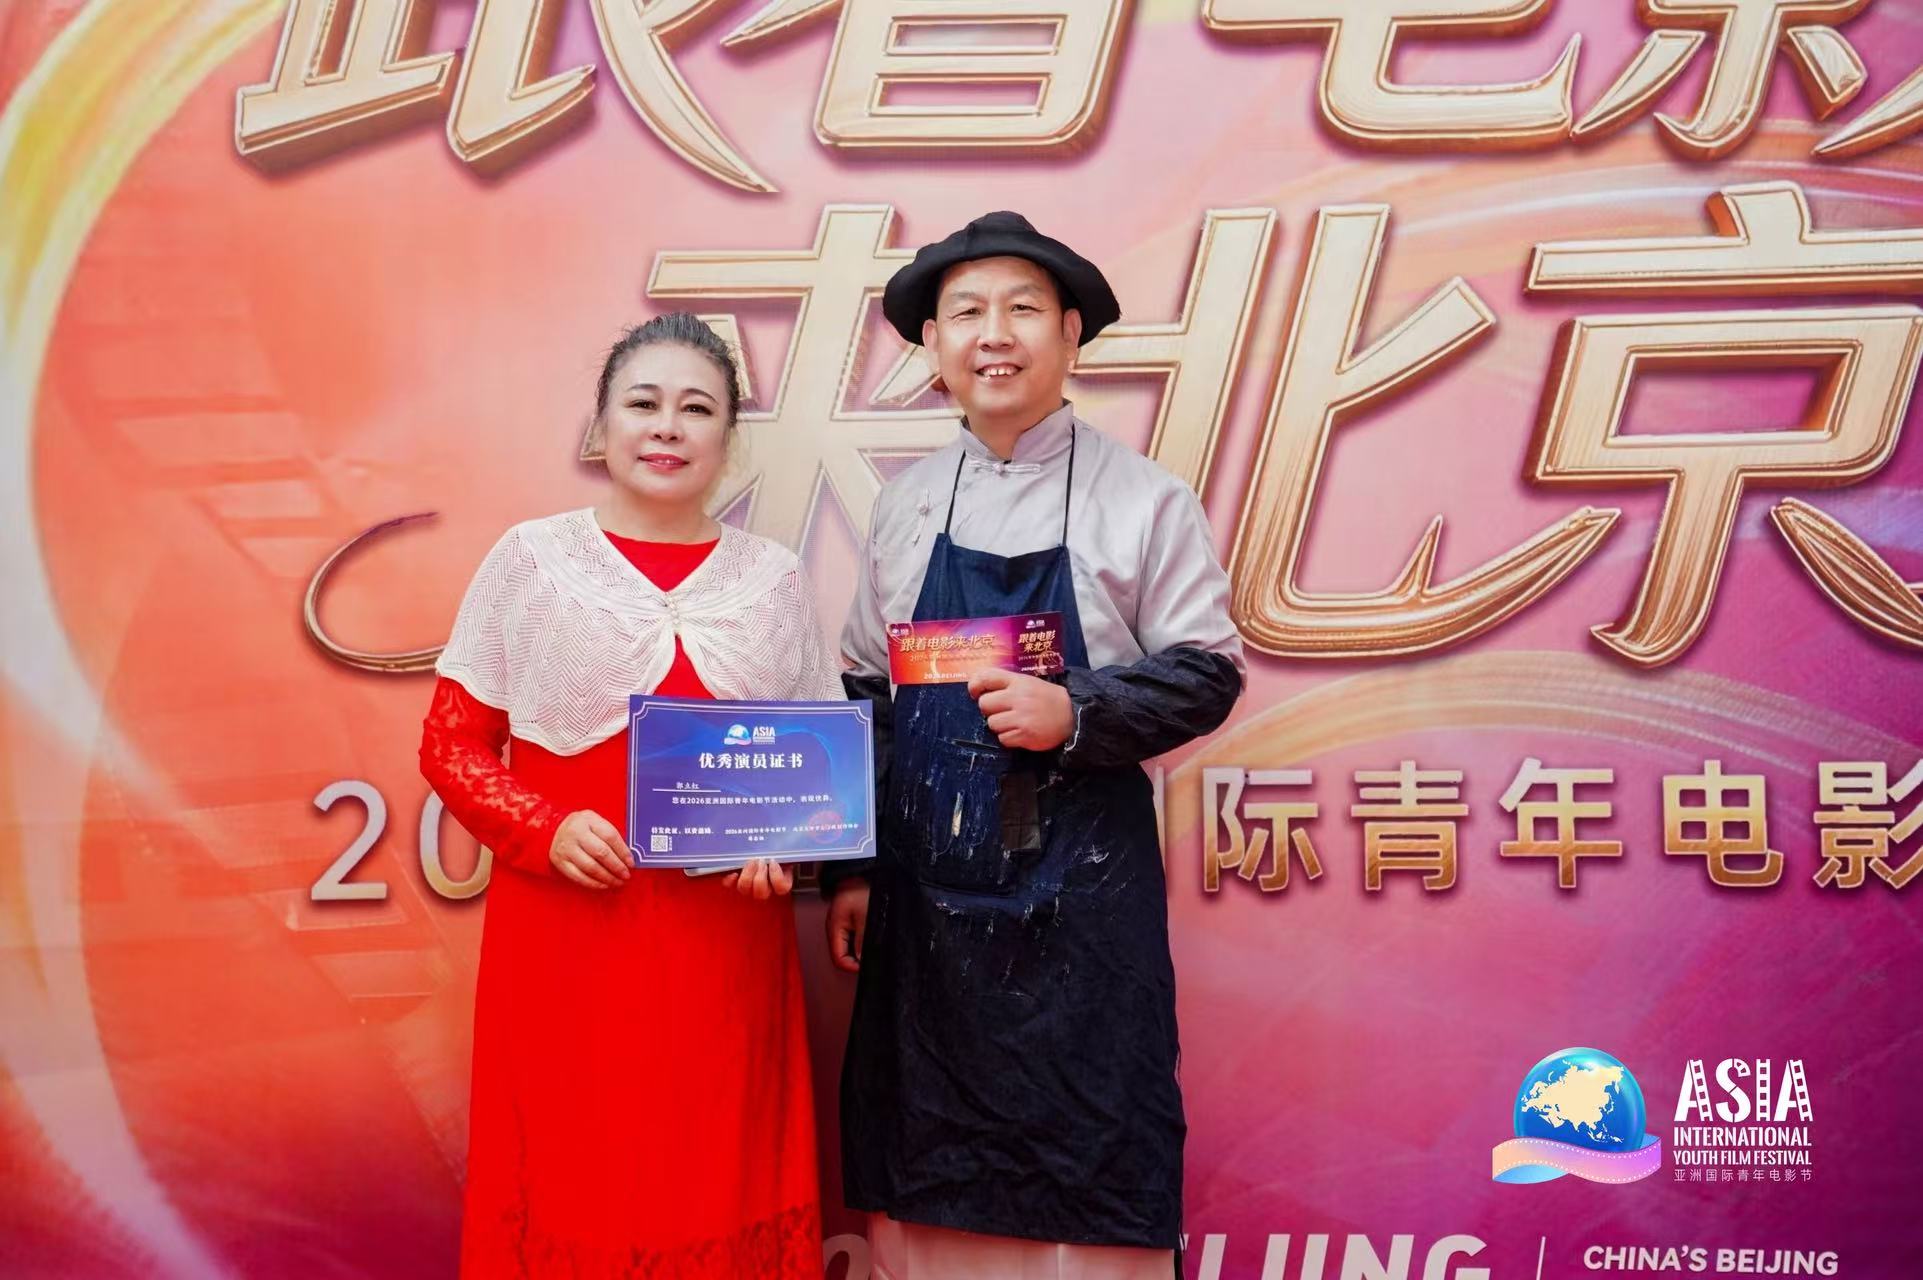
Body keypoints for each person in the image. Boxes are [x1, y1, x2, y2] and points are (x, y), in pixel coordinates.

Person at [827, 212, 1246, 1277]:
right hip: (924, 903)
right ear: (933, 345)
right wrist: (854, 870)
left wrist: (1077, 713)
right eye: (965, 312)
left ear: (1068, 333)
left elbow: (1208, 669)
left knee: (1088, 1165)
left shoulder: (1144, 498)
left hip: (1081, 903)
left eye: (1021, 308)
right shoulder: (904, 506)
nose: (993, 334)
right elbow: (868, 693)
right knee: (925, 1172)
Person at [419, 313, 839, 1277]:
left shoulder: (773, 579)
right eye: (643, 404)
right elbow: (450, 743)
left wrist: (787, 844)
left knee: (716, 1165)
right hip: (568, 931)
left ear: (728, 438)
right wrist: (542, 826)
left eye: (697, 408)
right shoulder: (530, 559)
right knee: (579, 1167)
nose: (667, 428)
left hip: (724, 945)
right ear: (600, 426)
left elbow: (815, 772)